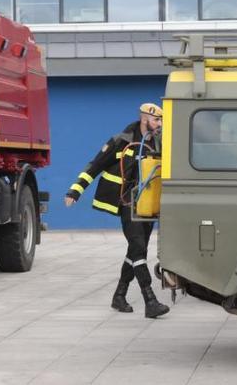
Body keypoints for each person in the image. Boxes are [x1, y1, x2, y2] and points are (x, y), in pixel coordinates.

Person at [64, 103, 170, 319]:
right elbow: (95, 166)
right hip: (126, 204)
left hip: (147, 206)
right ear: (145, 119)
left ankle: (119, 296)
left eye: (161, 120)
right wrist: (75, 191)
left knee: (135, 252)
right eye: (157, 120)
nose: (160, 124)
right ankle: (150, 301)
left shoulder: (159, 143)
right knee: (139, 248)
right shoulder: (122, 141)